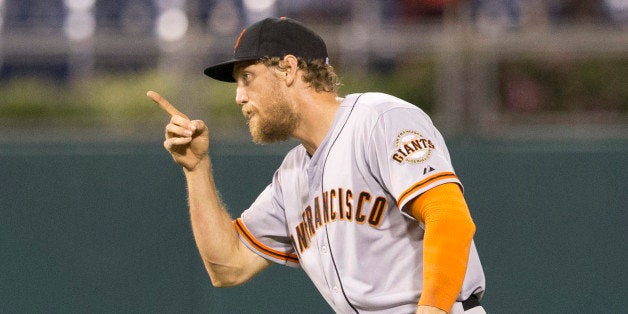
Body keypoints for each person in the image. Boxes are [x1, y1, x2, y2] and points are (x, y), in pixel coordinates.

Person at [147, 17, 485, 314]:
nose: (239, 96)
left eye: (247, 77)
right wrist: (196, 168)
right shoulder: (291, 176)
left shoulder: (378, 118)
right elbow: (228, 267)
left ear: (289, 68)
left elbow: (450, 217)